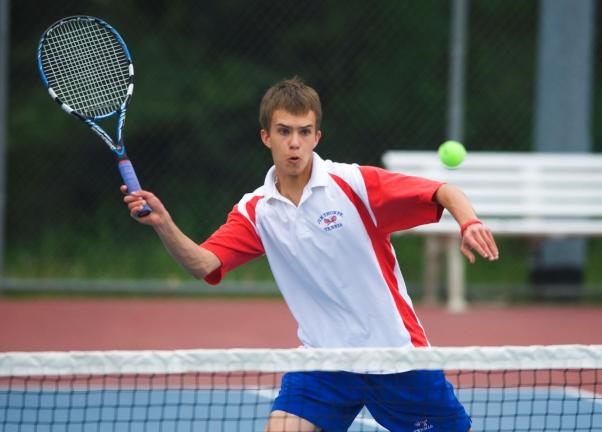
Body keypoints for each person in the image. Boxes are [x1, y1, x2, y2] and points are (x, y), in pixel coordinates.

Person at [122, 76, 499, 432]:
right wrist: (163, 223)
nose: (294, 143)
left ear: (317, 137)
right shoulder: (257, 210)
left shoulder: (353, 185)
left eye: (304, 132)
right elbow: (203, 263)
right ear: (266, 137)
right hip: (323, 361)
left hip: (395, 355)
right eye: (284, 132)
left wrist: (469, 223)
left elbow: (444, 192)